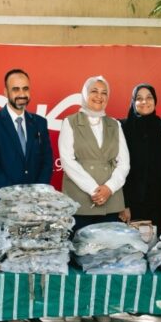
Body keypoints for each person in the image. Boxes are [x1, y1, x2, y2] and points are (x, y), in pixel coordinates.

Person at [0, 68, 54, 220]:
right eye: (15, 89)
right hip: (2, 207)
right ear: (5, 92)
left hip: (35, 208)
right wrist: (17, 198)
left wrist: (35, 196)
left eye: (25, 88)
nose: (21, 94)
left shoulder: (39, 122)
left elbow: (47, 161)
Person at [58, 76, 130, 232]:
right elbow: (67, 161)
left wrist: (109, 188)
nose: (99, 96)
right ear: (85, 94)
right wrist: (94, 190)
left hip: (111, 200)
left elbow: (124, 163)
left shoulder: (115, 124)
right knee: (80, 244)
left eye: (104, 93)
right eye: (94, 91)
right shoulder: (70, 122)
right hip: (80, 200)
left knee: (108, 245)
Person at [120, 84, 161, 230]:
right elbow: (117, 167)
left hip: (158, 204)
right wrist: (123, 204)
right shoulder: (122, 127)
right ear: (133, 102)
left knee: (157, 242)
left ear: (155, 100)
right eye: (139, 98)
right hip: (130, 204)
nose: (144, 102)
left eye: (149, 97)